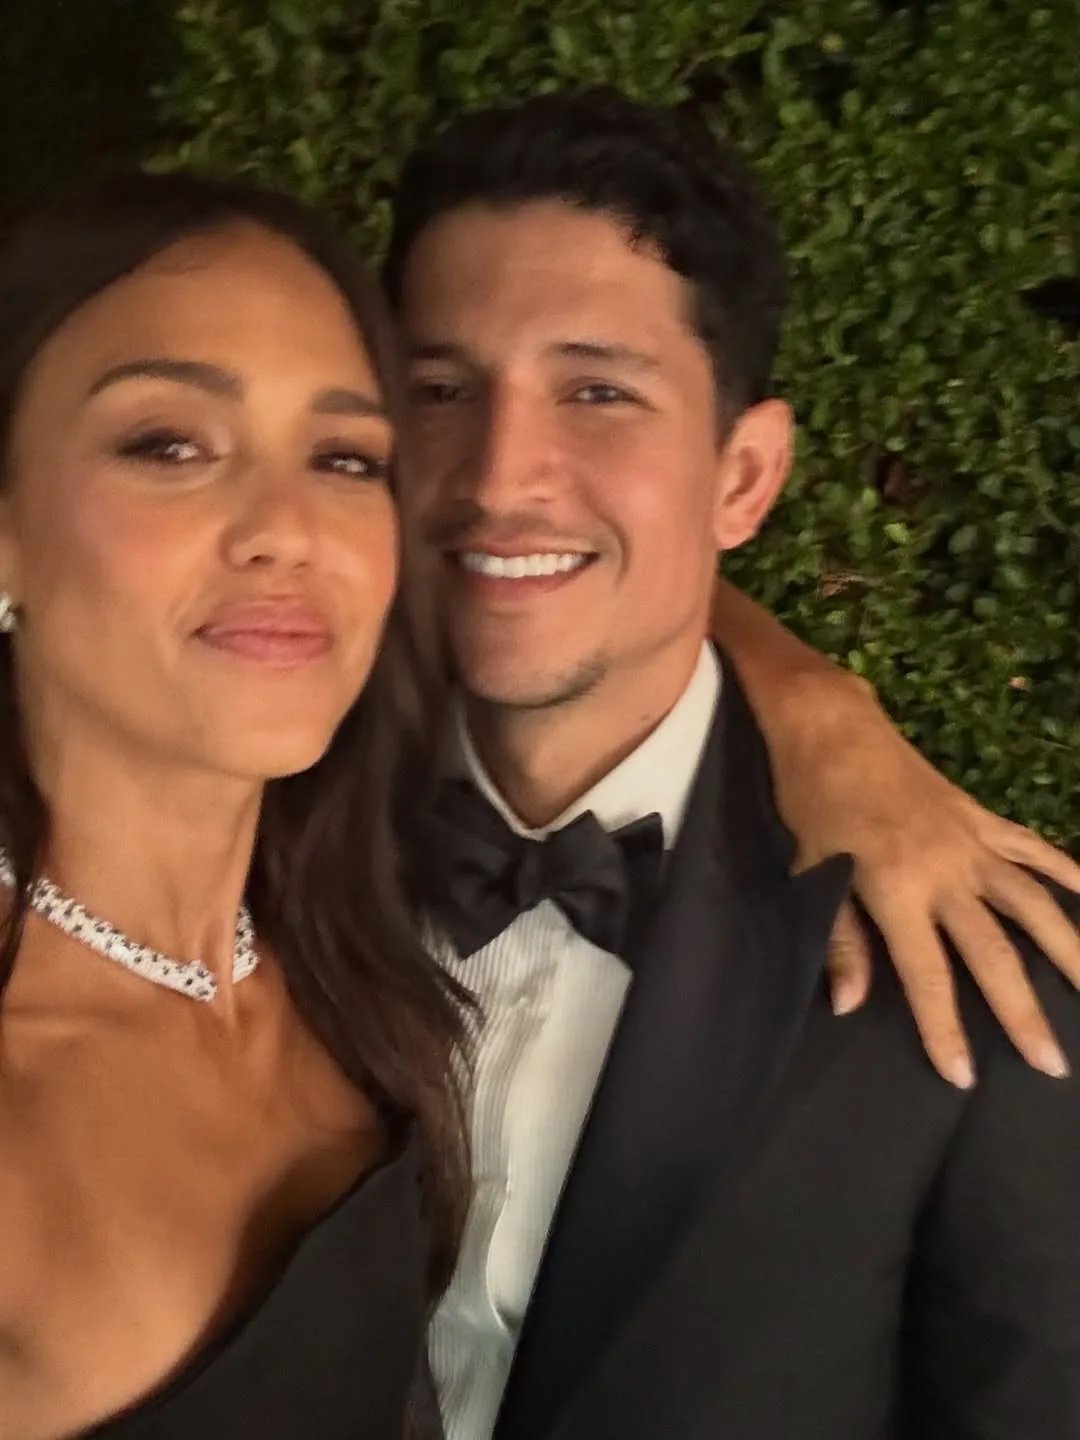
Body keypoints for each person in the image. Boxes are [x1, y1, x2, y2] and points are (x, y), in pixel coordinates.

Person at [382, 91, 1080, 1438]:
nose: (499, 476)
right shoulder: (246, 830)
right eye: (441, 391)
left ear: (744, 479)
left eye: (599, 391)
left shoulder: (991, 978)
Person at [0, 173, 466, 1440]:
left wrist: (826, 717)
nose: (287, 529)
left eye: (345, 459)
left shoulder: (351, 961)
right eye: (170, 445)